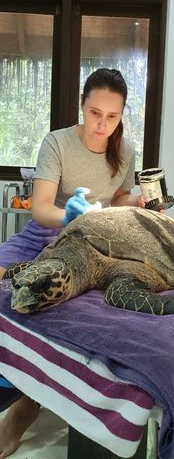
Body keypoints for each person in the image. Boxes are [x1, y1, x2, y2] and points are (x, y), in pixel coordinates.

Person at [0, 67, 145, 457]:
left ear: (121, 115)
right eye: (95, 113)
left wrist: (136, 201)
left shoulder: (126, 150)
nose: (102, 124)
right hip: (47, 234)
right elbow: (41, 209)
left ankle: (24, 405)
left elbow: (117, 201)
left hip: (92, 246)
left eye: (112, 117)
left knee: (50, 304)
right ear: (82, 105)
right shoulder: (58, 142)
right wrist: (68, 215)